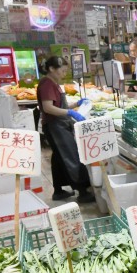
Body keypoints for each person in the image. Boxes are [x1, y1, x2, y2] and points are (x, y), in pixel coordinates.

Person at [37, 56, 94, 203]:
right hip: (55, 126)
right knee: (71, 156)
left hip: (58, 124)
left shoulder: (53, 83)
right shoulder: (47, 84)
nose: (64, 74)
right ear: (51, 69)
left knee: (58, 157)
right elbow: (48, 108)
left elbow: (59, 106)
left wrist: (76, 104)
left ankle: (58, 191)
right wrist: (70, 113)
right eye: (62, 71)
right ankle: (83, 191)